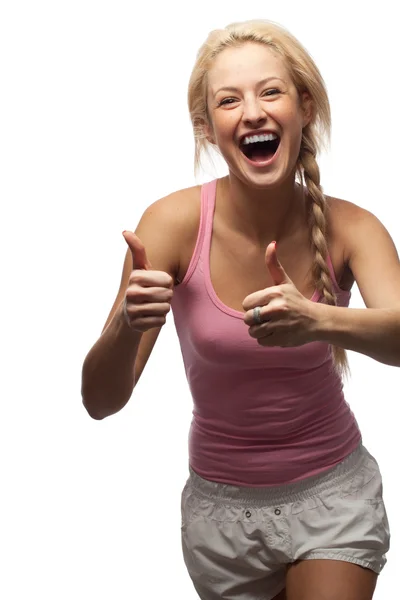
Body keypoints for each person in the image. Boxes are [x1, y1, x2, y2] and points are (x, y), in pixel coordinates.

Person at [80, 19, 397, 600]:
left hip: (334, 497)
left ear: (304, 107)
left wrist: (318, 319)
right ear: (208, 127)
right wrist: (127, 325)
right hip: (220, 516)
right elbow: (100, 401)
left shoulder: (355, 227)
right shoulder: (172, 225)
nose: (252, 112)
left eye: (270, 92)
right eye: (229, 100)